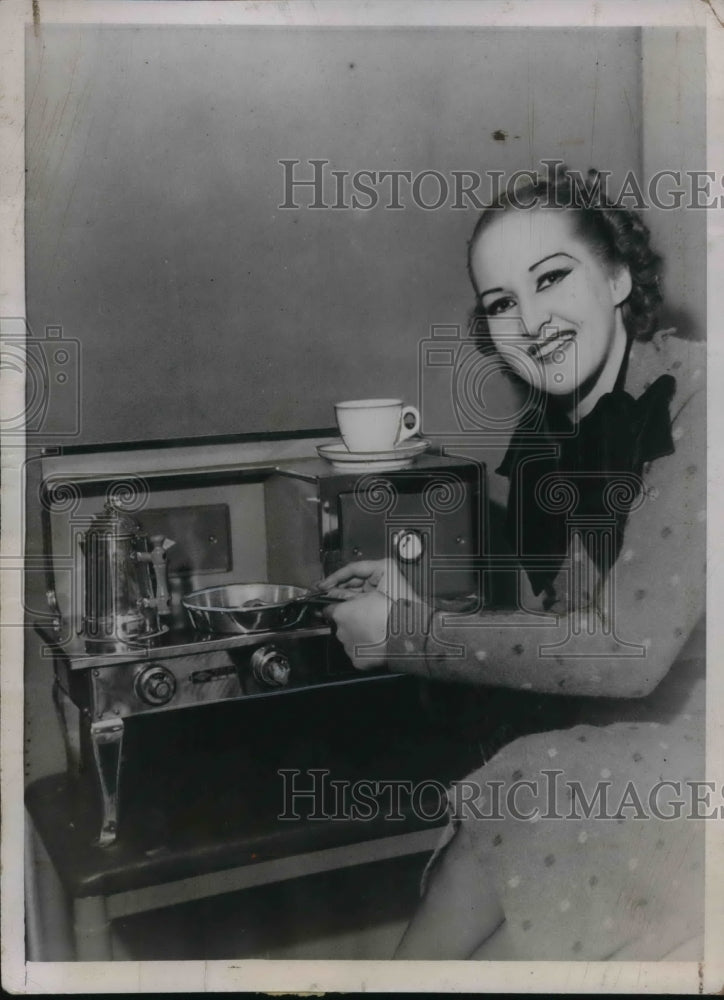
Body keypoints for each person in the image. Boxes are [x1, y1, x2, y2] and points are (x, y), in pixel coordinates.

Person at [319, 167, 706, 960]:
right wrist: (423, 608)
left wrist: (407, 634)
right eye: (501, 304)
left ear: (618, 278)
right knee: (511, 805)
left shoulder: (705, 398)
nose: (530, 322)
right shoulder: (550, 440)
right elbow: (570, 632)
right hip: (635, 750)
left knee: (528, 783)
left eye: (551, 278)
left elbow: (626, 651)